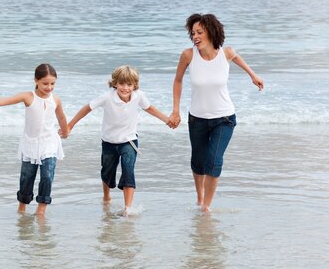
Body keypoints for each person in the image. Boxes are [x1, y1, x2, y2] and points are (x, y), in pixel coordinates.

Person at [168, 13, 264, 212]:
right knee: (198, 162)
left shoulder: (226, 53)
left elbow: (236, 57)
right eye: (193, 33)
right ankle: (199, 195)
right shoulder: (188, 55)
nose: (195, 36)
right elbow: (178, 80)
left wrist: (252, 75)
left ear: (211, 32)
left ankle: (206, 207)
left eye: (199, 32)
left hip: (225, 118)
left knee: (213, 160)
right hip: (197, 119)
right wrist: (175, 110)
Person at [67, 65, 171, 215]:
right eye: (122, 84)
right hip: (109, 142)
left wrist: (166, 120)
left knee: (129, 170)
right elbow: (87, 108)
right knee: (107, 172)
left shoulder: (139, 96)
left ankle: (128, 207)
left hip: (129, 141)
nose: (125, 88)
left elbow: (150, 108)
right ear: (115, 83)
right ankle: (106, 196)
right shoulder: (107, 97)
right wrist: (70, 125)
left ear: (134, 85)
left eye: (129, 84)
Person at [0, 64, 69, 216]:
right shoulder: (28, 97)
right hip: (30, 144)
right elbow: (2, 101)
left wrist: (65, 131)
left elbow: (61, 116)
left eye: (53, 83)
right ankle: (22, 206)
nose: (49, 87)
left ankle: (41, 210)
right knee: (27, 177)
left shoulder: (56, 99)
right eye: (45, 83)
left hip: (49, 143)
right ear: (36, 80)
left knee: (47, 176)